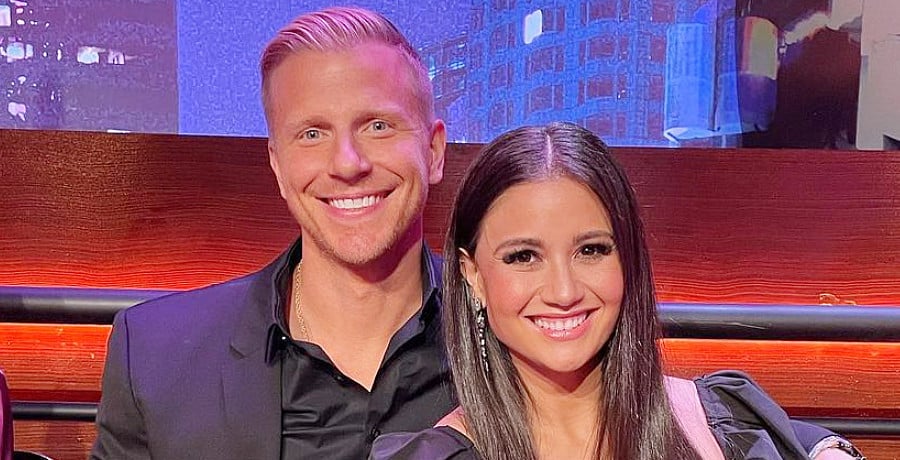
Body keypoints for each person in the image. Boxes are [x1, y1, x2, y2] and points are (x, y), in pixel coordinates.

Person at [370, 123, 865, 460]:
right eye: (524, 257)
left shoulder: (721, 425)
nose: (563, 291)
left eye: (591, 251)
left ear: (627, 256)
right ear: (472, 274)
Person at [91, 7, 454, 459]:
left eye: (378, 126)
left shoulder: (512, 338)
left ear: (434, 151)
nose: (347, 163)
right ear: (278, 167)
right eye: (312, 134)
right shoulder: (153, 354)